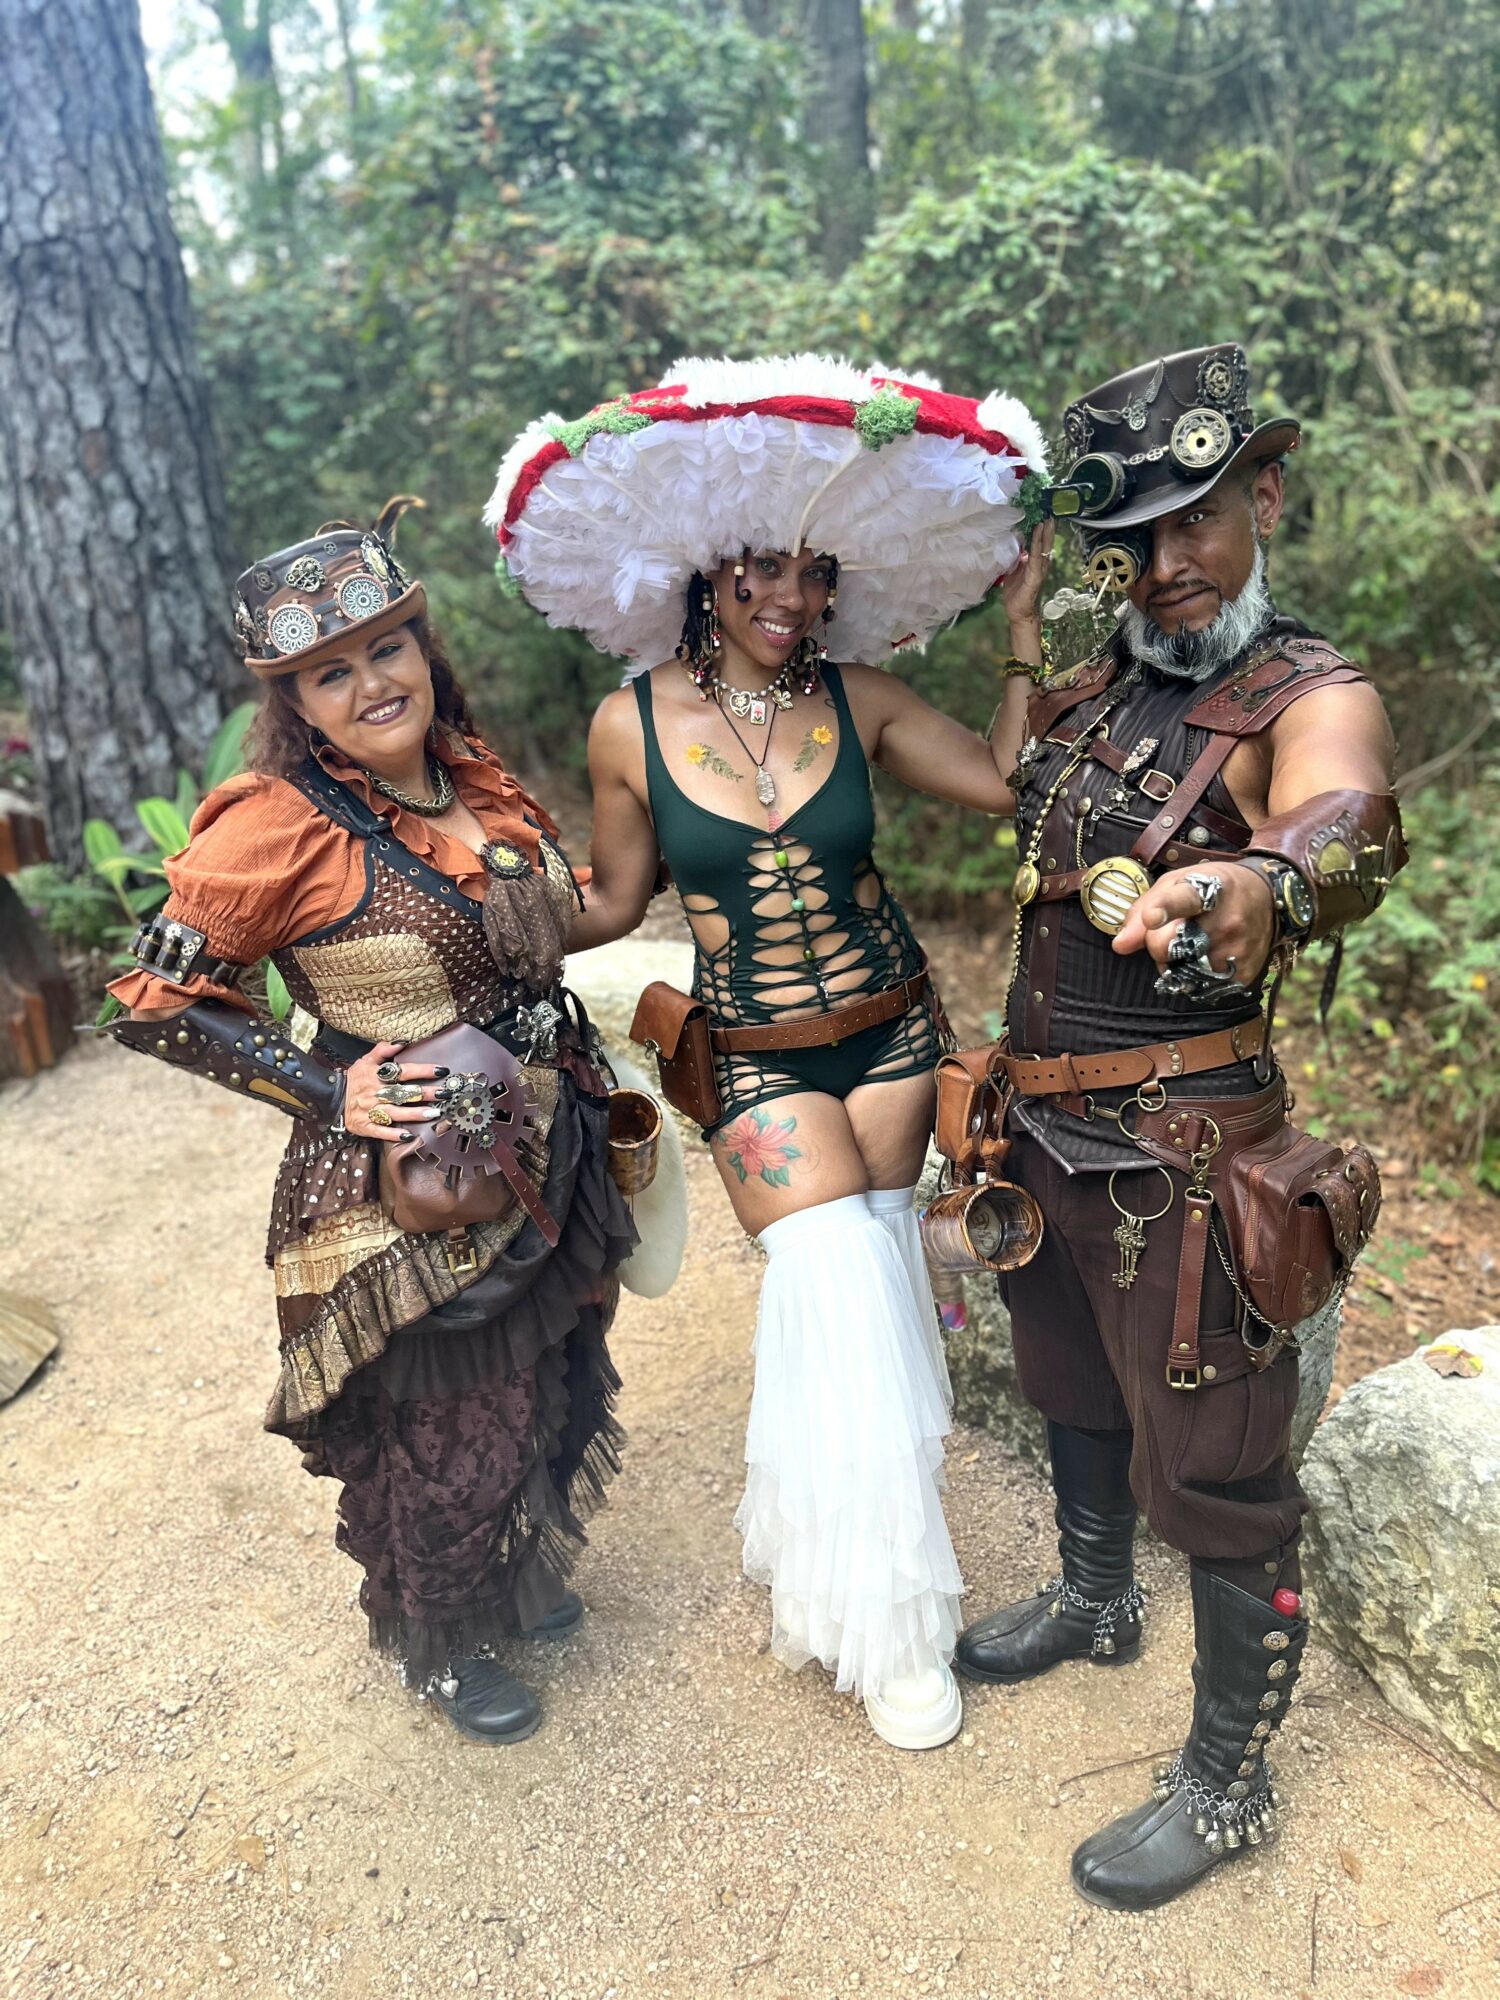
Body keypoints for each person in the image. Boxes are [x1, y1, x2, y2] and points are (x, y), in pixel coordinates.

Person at [485, 354, 1051, 1749]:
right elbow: (617, 899)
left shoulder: (859, 699)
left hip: (895, 1033)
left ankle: (830, 1532)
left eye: (813, 573)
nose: (790, 596)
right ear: (706, 571)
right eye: (762, 569)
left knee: (878, 1299)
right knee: (832, 1286)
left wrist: (1023, 633)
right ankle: (892, 1632)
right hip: (752, 1051)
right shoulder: (629, 722)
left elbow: (1003, 785)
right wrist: (502, 904)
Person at [954, 344, 1406, 1907]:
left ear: (1262, 497)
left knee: (1218, 1464)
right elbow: (1019, 795)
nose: (1167, 563)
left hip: (1186, 1157)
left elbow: (1345, 821)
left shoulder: (1310, 689)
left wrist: (1258, 880)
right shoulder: (1104, 690)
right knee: (1070, 1383)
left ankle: (1227, 1783)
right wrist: (1024, 636)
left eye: (1196, 520)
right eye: (1134, 539)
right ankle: (1095, 1600)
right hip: (1045, 1135)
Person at [106, 505, 635, 1745]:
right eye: (329, 673)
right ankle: (442, 1638)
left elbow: (561, 919)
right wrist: (323, 1088)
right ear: (294, 700)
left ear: (421, 646)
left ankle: (512, 1570)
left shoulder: (468, 774)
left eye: (385, 649)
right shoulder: (278, 821)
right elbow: (153, 999)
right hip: (413, 1173)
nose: (370, 684)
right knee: (455, 1411)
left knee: (554, 1367)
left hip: (545, 1130)